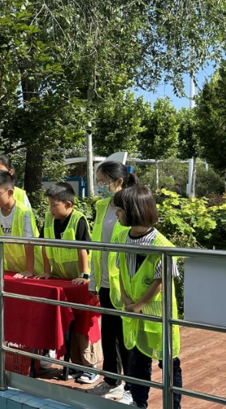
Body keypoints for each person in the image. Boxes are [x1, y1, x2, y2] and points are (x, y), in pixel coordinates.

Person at [112, 185, 183, 409]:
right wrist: (125, 298)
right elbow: (121, 269)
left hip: (158, 315)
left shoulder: (162, 245)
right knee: (138, 360)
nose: (117, 215)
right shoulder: (122, 237)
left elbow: (160, 282)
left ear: (134, 211)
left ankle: (173, 405)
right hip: (134, 311)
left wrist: (139, 304)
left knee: (168, 362)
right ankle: (139, 402)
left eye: (120, 210)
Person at [39, 182, 101, 384]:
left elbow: (83, 248)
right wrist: (47, 271)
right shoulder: (49, 219)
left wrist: (84, 275)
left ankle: (91, 366)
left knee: (84, 323)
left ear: (68, 204)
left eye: (53, 205)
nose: (50, 209)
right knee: (62, 322)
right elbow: (44, 245)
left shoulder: (78, 219)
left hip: (78, 279)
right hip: (59, 277)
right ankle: (71, 363)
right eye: (49, 204)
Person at [88, 161, 137, 403]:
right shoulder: (101, 206)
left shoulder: (131, 204)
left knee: (126, 336)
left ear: (118, 182)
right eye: (97, 181)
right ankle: (111, 380)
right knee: (109, 335)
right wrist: (94, 281)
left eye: (102, 181)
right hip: (106, 281)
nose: (99, 186)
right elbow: (97, 246)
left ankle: (132, 386)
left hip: (125, 283)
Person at [0, 171, 37, 277]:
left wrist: (29, 270)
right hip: (11, 269)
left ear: (10, 192)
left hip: (33, 269)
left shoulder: (23, 212)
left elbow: (29, 243)